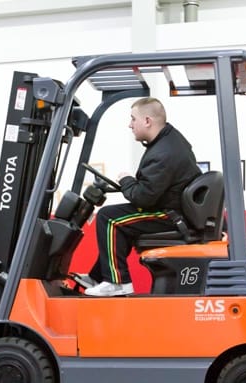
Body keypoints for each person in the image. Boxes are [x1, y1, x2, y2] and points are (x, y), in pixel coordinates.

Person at [83, 97, 201, 297]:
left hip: (171, 216)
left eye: (133, 119)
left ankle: (117, 282)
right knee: (121, 218)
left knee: (109, 218)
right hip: (172, 209)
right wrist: (128, 183)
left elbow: (143, 198)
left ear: (147, 121)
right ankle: (98, 275)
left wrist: (127, 180)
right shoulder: (168, 141)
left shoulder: (164, 152)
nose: (130, 125)